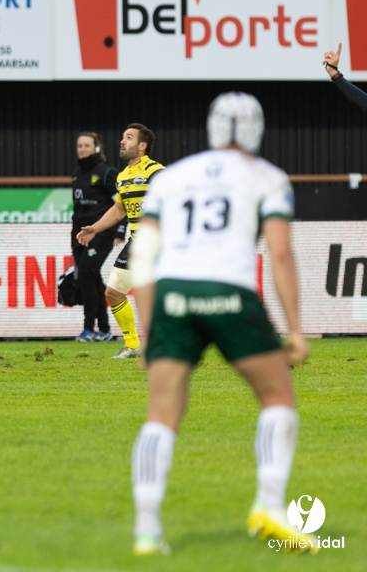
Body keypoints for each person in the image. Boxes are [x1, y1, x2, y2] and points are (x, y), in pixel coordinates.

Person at [127, 93, 314, 556]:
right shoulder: (268, 177)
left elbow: (144, 254)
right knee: (277, 397)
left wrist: (147, 328)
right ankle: (269, 507)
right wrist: (294, 328)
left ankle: (147, 531)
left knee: (162, 414)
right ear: (256, 129)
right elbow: (281, 253)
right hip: (230, 291)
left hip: (173, 294)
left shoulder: (176, 175)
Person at [76, 123, 165, 359]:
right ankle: (133, 345)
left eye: (129, 138)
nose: (122, 142)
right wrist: (94, 228)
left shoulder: (155, 171)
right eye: (123, 138)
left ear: (142, 146)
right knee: (113, 293)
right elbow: (118, 210)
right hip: (136, 242)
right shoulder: (123, 176)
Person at [70, 131, 118, 342]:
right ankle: (105, 330)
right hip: (79, 233)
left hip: (101, 233)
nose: (82, 149)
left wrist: (119, 231)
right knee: (92, 278)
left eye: (87, 145)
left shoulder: (108, 172)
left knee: (87, 275)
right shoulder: (77, 172)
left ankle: (89, 329)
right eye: (80, 146)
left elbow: (120, 205)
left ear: (96, 148)